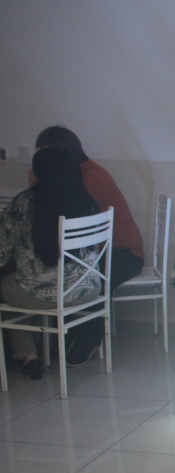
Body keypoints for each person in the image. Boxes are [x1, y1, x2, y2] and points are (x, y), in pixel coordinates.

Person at [34, 125, 144, 366]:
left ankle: (88, 339)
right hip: (90, 252)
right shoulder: (75, 176)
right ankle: (65, 337)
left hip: (122, 251)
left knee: (93, 281)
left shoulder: (91, 178)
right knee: (62, 275)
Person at [0, 148, 101, 379]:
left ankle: (29, 355)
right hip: (87, 289)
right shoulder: (87, 202)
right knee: (26, 285)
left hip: (41, 294)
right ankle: (39, 349)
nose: (29, 171)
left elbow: (2, 254)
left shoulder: (24, 203)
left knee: (9, 289)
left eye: (34, 168)